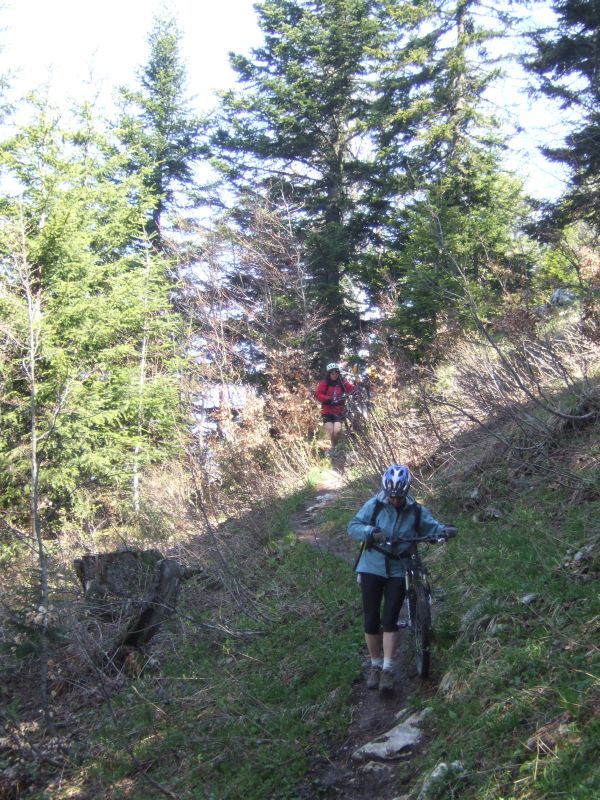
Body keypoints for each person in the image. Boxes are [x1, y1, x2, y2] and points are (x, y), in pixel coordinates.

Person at [347, 464, 450, 694]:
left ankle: (387, 670)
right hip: (372, 565)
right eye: (391, 496)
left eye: (399, 496)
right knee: (371, 620)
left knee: (390, 618)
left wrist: (444, 531)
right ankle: (374, 664)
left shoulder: (415, 510)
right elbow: (353, 527)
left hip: (399, 568)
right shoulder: (374, 505)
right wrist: (370, 533)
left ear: (406, 492)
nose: (394, 500)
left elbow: (432, 526)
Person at [314, 362, 355, 453]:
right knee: (330, 430)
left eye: (336, 372)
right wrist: (327, 399)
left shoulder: (342, 382)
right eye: (332, 373)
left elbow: (351, 389)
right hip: (327, 411)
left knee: (336, 430)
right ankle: (333, 447)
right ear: (329, 374)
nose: (334, 375)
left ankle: (334, 446)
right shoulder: (324, 383)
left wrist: (357, 385)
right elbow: (318, 394)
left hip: (338, 410)